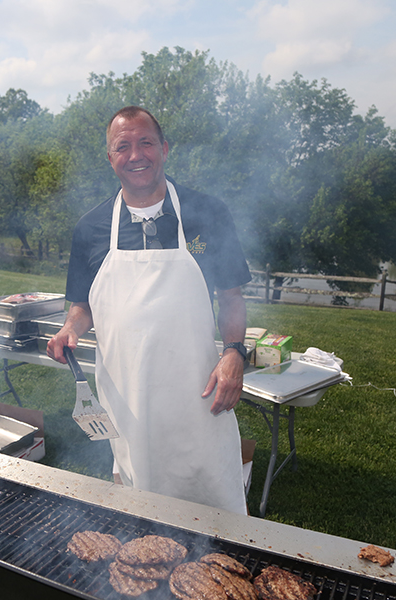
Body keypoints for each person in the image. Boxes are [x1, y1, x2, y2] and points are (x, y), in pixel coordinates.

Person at [45, 106, 252, 515]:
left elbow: (231, 296)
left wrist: (233, 354)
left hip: (199, 395)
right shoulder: (91, 228)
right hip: (126, 398)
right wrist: (71, 328)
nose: (136, 154)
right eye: (123, 146)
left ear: (165, 148)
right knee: (139, 516)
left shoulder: (206, 214)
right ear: (110, 158)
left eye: (146, 142)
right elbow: (82, 306)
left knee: (215, 507)